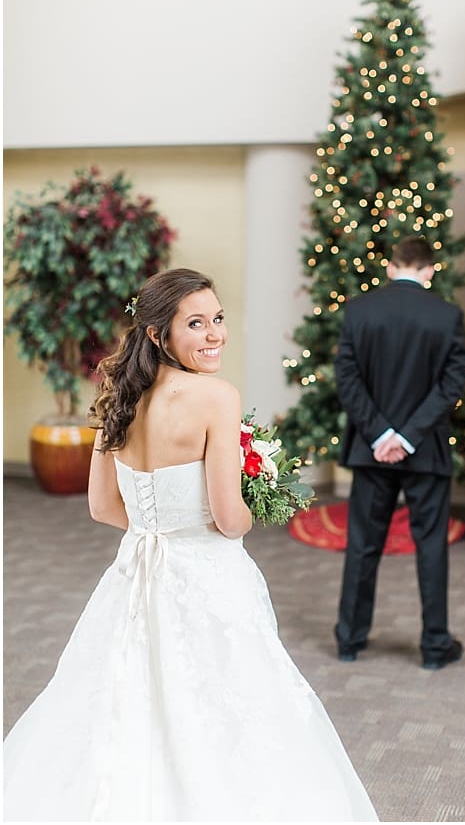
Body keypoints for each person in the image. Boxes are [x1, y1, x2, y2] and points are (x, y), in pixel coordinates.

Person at [3, 268, 378, 821]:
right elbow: (229, 520)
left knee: (125, 701)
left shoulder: (118, 398)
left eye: (218, 319)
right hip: (207, 574)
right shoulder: (216, 398)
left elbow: (102, 507)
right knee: (228, 706)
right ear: (158, 335)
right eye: (196, 324)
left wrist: (156, 525)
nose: (214, 335)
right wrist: (256, 496)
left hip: (133, 574)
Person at [334, 236, 465, 669]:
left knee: (362, 545)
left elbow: (347, 380)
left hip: (369, 452)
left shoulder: (359, 310)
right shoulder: (447, 316)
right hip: (425, 452)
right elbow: (451, 385)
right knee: (430, 546)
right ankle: (433, 646)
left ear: (391, 267)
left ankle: (349, 640)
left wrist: (379, 436)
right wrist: (408, 436)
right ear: (429, 270)